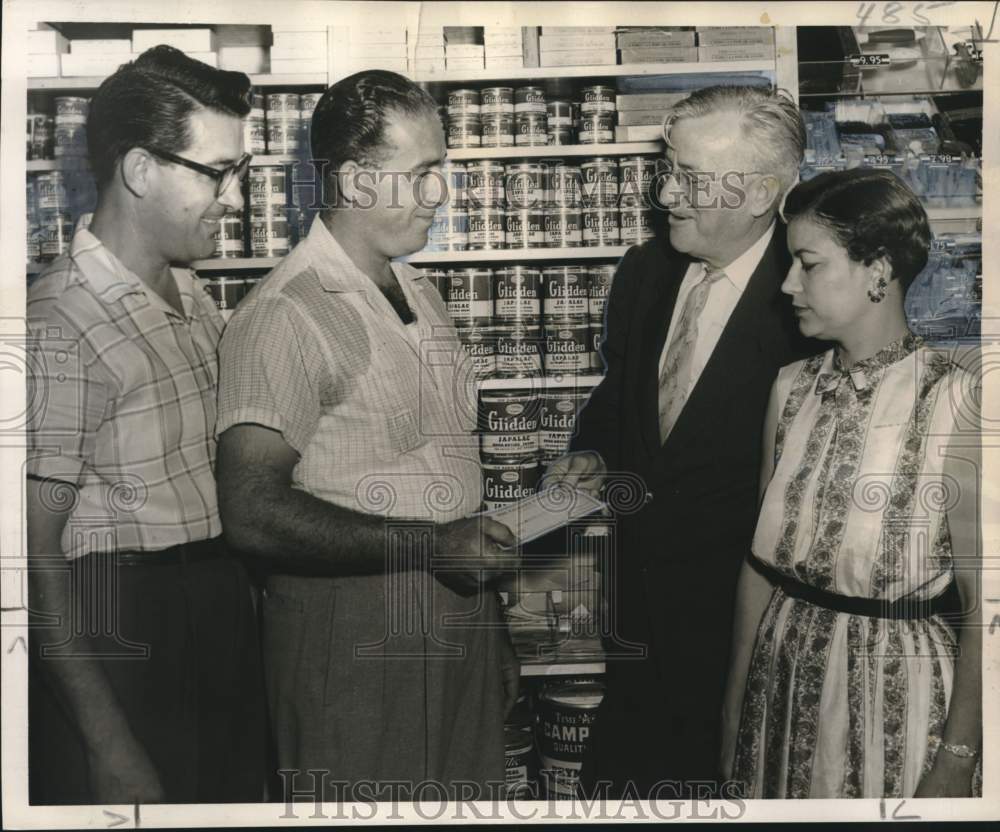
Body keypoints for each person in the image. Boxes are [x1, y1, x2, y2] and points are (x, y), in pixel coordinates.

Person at [214, 70, 518, 802]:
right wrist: (433, 546)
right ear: (354, 180)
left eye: (440, 170)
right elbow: (251, 511)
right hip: (352, 630)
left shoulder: (415, 288)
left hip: (456, 613)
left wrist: (489, 624)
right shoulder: (287, 313)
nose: (439, 193)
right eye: (422, 175)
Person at [545, 85, 817, 797]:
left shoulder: (809, 299)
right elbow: (622, 394)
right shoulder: (646, 272)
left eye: (690, 178)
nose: (667, 192)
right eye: (668, 169)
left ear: (760, 193)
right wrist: (594, 450)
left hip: (744, 641)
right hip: (635, 625)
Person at [26, 46, 265, 803]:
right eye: (217, 173)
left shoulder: (189, 290)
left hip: (214, 609)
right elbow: (31, 558)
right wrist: (106, 739)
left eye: (240, 173)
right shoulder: (60, 322)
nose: (235, 198)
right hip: (122, 632)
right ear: (139, 170)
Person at [722, 167, 982, 799]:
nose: (788, 285)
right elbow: (760, 567)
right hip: (779, 682)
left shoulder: (958, 399)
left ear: (878, 270)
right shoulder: (789, 390)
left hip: (900, 695)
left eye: (809, 265)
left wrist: (957, 758)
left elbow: (988, 608)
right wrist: (732, 715)